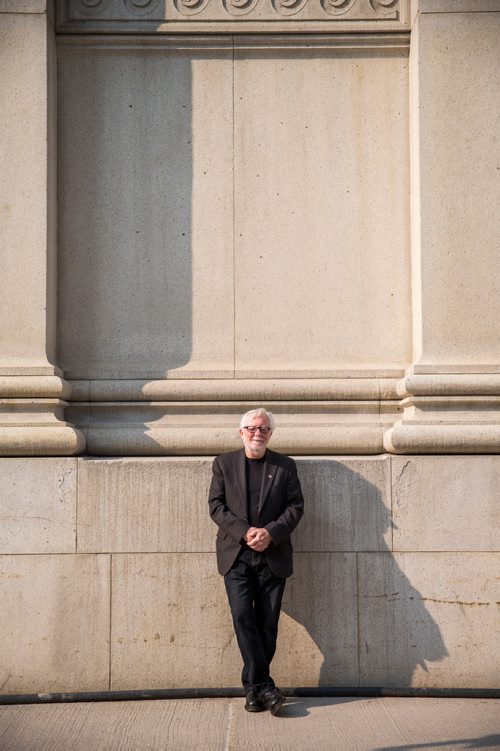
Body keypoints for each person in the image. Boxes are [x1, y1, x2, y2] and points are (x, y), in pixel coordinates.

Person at [208, 408, 304, 715]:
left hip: (272, 555)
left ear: (271, 434)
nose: (257, 433)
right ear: (241, 432)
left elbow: (295, 507)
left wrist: (270, 533)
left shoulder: (285, 466)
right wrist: (245, 532)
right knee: (242, 618)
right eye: (251, 428)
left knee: (267, 622)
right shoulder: (224, 464)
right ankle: (265, 688)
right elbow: (216, 506)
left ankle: (254, 690)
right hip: (236, 555)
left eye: (263, 429)